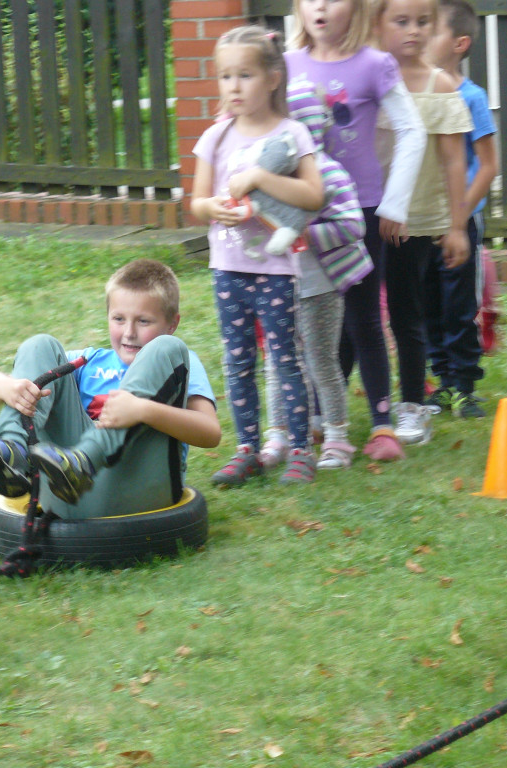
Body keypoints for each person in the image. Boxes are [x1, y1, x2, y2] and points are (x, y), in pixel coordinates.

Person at [0, 259, 221, 519]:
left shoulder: (176, 361)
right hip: (66, 489)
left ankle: (85, 461)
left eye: (143, 321)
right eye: (118, 318)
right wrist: (4, 386)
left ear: (172, 324)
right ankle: (14, 455)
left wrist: (144, 410)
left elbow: (210, 434)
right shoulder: (87, 361)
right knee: (39, 345)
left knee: (168, 347)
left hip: (140, 491)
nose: (128, 332)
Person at [286, 0, 427, 462]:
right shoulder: (284, 65)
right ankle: (313, 419)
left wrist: (394, 203)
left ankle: (382, 425)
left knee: (364, 317)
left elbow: (412, 130)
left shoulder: (375, 65)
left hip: (359, 211)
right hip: (303, 214)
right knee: (308, 322)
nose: (321, 7)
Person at [191, 25, 324, 486]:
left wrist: (258, 179)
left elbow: (313, 195)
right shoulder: (215, 136)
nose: (233, 86)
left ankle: (301, 447)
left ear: (272, 78)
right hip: (227, 269)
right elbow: (196, 201)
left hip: (275, 270)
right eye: (225, 76)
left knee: (286, 359)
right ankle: (246, 447)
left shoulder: (292, 134)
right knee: (237, 360)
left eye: (244, 75)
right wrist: (211, 208)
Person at [261, 80, 374, 472]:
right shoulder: (268, 174)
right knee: (277, 361)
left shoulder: (328, 172)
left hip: (320, 286)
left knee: (320, 360)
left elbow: (353, 226)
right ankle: (278, 434)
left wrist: (308, 235)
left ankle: (337, 437)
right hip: (278, 284)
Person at [374, 0, 471, 445]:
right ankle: (328, 409)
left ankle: (412, 404)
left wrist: (455, 226)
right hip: (363, 214)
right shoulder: (367, 77)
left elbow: (455, 162)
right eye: (401, 21)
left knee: (405, 313)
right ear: (377, 24)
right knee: (352, 315)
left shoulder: (441, 86)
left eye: (423, 22)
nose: (413, 31)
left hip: (414, 224)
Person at [424, 0, 498, 419]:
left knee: (459, 306)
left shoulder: (472, 98)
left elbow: (487, 165)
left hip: (460, 221)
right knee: (428, 303)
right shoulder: (414, 93)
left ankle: (464, 386)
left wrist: (458, 216)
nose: (418, 35)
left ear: (459, 43)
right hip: (423, 223)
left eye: (430, 29)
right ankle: (441, 381)